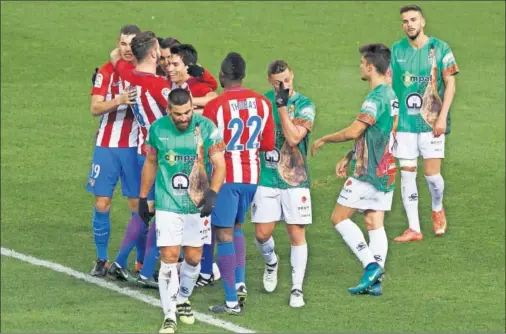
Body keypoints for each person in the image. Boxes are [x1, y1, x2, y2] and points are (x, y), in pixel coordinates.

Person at [311, 43, 398, 296]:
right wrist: (350, 154)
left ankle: (370, 266)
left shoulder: (376, 97)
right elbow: (380, 133)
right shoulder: (391, 94)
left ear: (370, 67)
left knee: (339, 218)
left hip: (369, 172)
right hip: (387, 167)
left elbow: (354, 130)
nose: (360, 66)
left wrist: (325, 139)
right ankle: (376, 282)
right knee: (373, 221)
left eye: (362, 63)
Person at [139, 88, 226, 333]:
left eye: (187, 112)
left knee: (194, 257)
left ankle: (183, 298)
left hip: (196, 202)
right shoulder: (157, 129)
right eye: (178, 114)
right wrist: (144, 196)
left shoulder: (207, 128)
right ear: (169, 111)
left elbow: (219, 164)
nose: (184, 117)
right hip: (168, 202)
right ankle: (169, 316)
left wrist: (212, 194)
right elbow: (151, 162)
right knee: (169, 256)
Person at [202, 52, 275, 314]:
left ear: (222, 76)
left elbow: (206, 146)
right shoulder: (262, 103)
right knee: (236, 227)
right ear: (243, 75)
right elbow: (267, 144)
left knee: (223, 235)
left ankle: (231, 300)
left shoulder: (215, 106)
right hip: (252, 178)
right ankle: (241, 282)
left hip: (226, 179)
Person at [105, 31, 171, 288]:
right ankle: (146, 273)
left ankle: (120, 263)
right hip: (163, 157)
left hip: (143, 152)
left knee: (146, 211)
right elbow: (178, 113)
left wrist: (126, 54)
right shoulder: (159, 86)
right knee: (162, 212)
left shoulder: (128, 75)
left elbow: (114, 57)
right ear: (154, 54)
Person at [388, 5, 459, 242]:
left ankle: (437, 207)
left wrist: (441, 117)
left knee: (432, 177)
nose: (409, 24)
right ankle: (414, 228)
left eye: (413, 19)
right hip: (405, 125)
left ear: (423, 22)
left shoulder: (440, 48)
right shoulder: (396, 51)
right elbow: (387, 85)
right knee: (407, 174)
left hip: (431, 122)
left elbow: (450, 84)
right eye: (405, 21)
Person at [249, 60, 315, 308]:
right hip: (266, 176)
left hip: (295, 180)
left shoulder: (305, 105)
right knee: (261, 233)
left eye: (287, 80)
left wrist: (283, 107)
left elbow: (294, 137)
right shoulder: (260, 103)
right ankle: (271, 262)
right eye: (279, 83)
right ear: (270, 81)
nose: (284, 86)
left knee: (296, 234)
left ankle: (297, 289)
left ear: (292, 76)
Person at [87, 24, 141, 277]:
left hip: (134, 148)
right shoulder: (106, 72)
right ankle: (101, 259)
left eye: (132, 44)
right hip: (107, 147)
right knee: (102, 203)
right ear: (117, 44)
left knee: (138, 206)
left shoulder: (144, 73)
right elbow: (95, 108)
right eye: (122, 43)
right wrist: (119, 100)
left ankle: (141, 262)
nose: (127, 49)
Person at [166, 44, 218, 112]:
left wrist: (187, 102)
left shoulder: (196, 86)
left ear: (189, 66)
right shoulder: (168, 82)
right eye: (169, 64)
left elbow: (215, 99)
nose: (169, 69)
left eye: (175, 65)